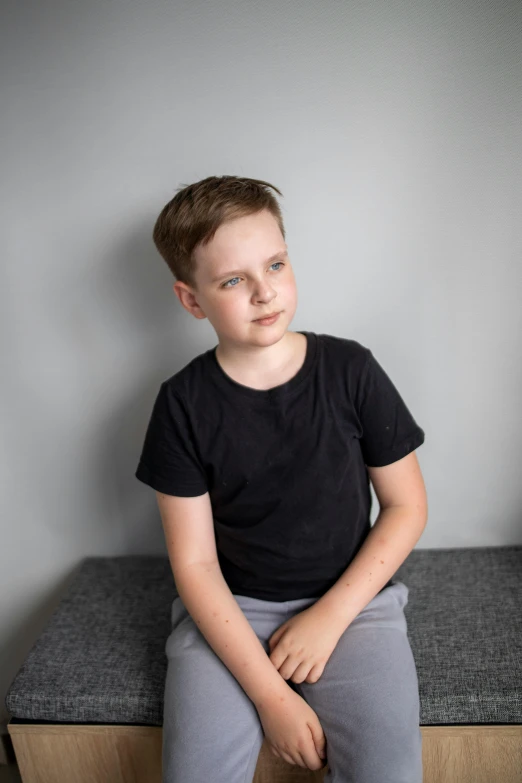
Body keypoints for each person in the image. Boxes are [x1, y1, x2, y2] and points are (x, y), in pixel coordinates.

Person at [135, 175, 428, 783]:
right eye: (234, 280)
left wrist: (330, 618)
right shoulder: (181, 405)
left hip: (356, 605)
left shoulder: (352, 369)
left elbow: (406, 507)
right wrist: (272, 698)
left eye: (275, 264)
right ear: (192, 301)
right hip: (231, 614)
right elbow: (194, 567)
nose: (265, 292)